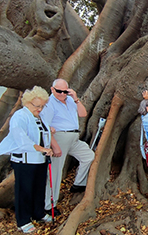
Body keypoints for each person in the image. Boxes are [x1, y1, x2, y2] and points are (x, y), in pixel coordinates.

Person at [0, 86, 54, 233]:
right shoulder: (19, 116)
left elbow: (44, 134)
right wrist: (42, 149)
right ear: (27, 102)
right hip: (24, 161)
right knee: (25, 190)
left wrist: (48, 146)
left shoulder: (40, 116)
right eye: (37, 106)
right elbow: (22, 139)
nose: (40, 109)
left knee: (39, 188)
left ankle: (38, 213)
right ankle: (23, 220)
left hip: (40, 160)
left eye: (42, 106)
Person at [40, 78, 95, 216]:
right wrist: (54, 145)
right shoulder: (49, 103)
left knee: (88, 156)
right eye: (59, 91)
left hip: (74, 137)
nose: (62, 94)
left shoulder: (70, 100)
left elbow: (83, 114)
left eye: (65, 91)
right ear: (52, 89)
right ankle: (49, 205)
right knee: (56, 172)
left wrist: (75, 98)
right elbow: (45, 127)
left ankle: (78, 183)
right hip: (59, 138)